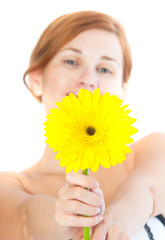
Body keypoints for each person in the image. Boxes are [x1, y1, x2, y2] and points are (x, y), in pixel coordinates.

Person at [0, 10, 165, 240]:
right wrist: (62, 219)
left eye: (105, 68)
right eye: (71, 61)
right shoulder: (12, 185)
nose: (88, 79)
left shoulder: (152, 150)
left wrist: (115, 220)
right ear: (37, 80)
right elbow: (25, 219)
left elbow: (149, 188)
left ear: (122, 88)